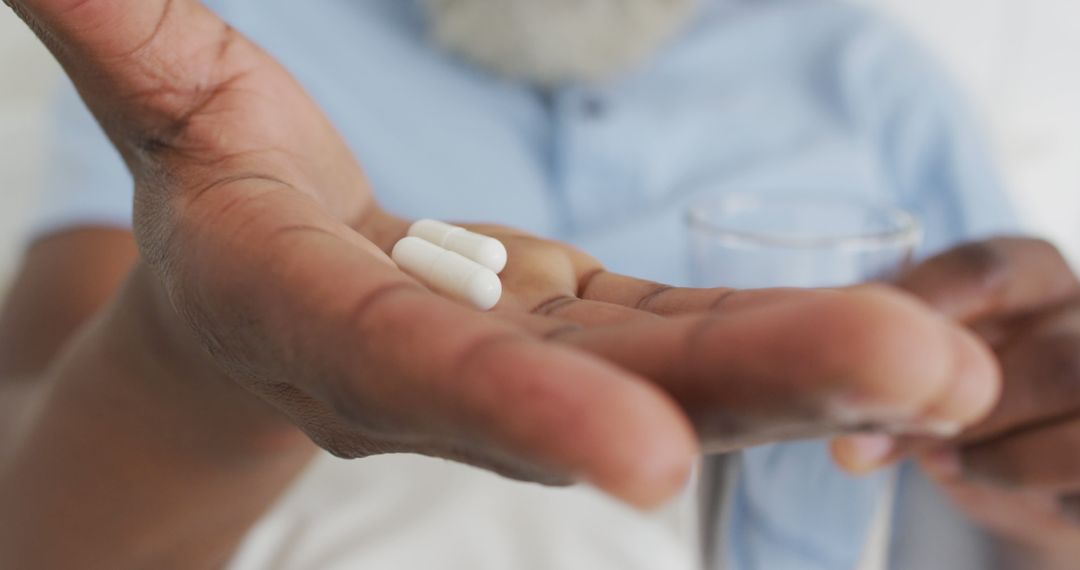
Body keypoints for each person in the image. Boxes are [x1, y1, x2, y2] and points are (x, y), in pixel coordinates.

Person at [0, 0, 1078, 568]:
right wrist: (195, 365)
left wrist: (1045, 476)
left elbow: (1016, 500)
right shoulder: (241, 44)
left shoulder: (863, 67)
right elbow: (30, 504)